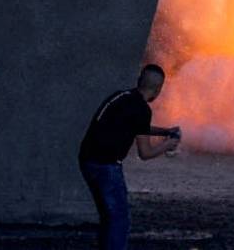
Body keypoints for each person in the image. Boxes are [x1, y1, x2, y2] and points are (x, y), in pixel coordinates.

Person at [77, 64, 182, 250]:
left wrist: (164, 131)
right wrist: (168, 144)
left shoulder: (120, 97)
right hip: (106, 166)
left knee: (107, 217)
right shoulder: (142, 110)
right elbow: (145, 153)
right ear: (158, 89)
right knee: (119, 220)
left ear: (139, 80)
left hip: (87, 160)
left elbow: (136, 126)